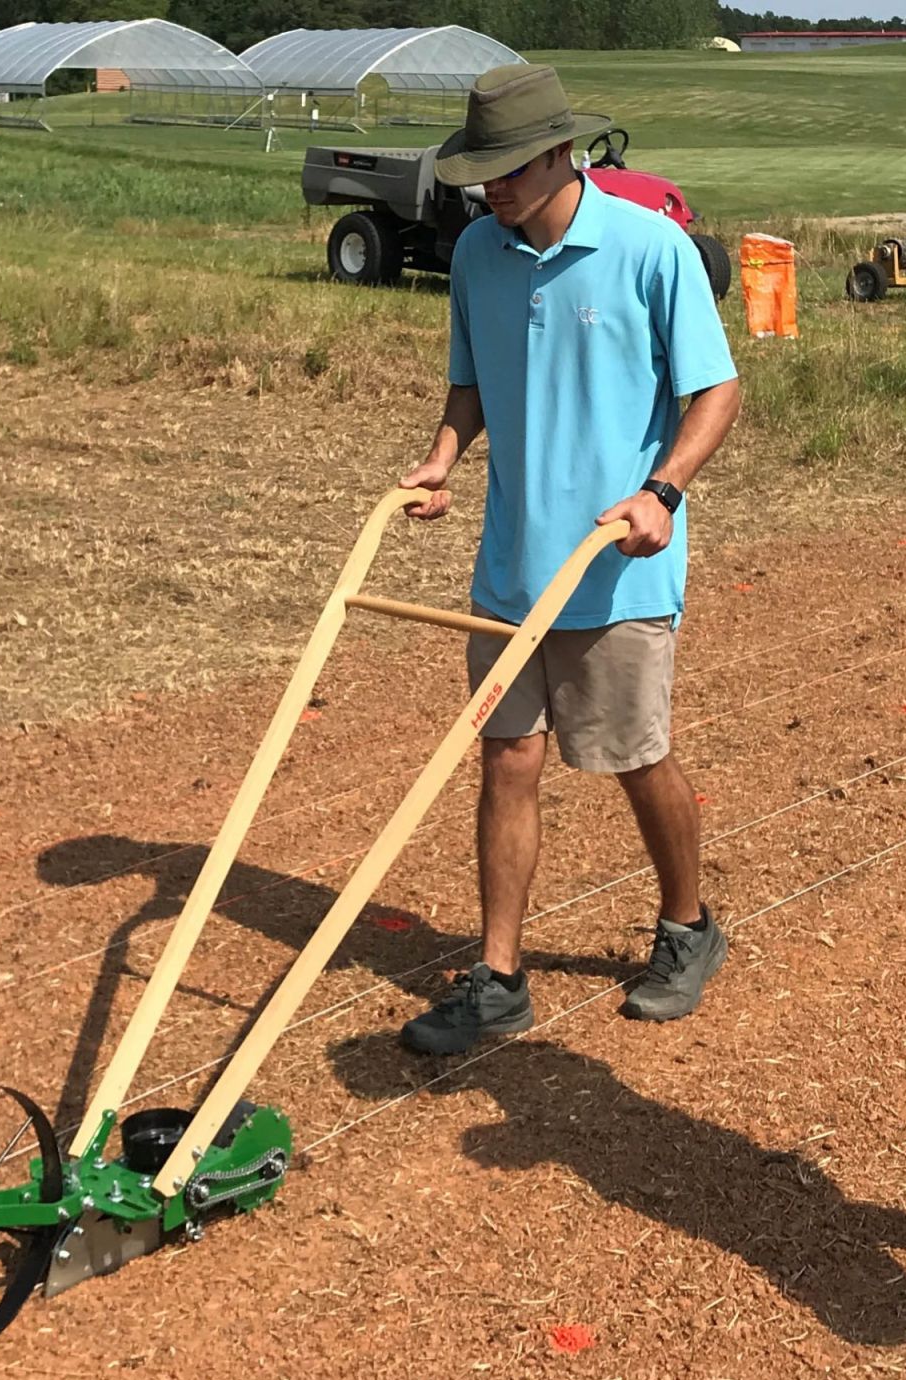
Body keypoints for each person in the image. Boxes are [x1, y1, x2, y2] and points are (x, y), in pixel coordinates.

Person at [394, 64, 742, 1056]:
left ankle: (688, 923)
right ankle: (498, 974)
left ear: (561, 153)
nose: (486, 188)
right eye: (478, 171)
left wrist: (661, 489)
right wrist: (441, 457)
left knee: (632, 757)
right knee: (506, 758)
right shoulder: (474, 253)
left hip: (614, 565)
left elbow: (714, 392)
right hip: (509, 565)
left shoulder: (649, 248)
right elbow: (469, 384)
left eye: (503, 168)